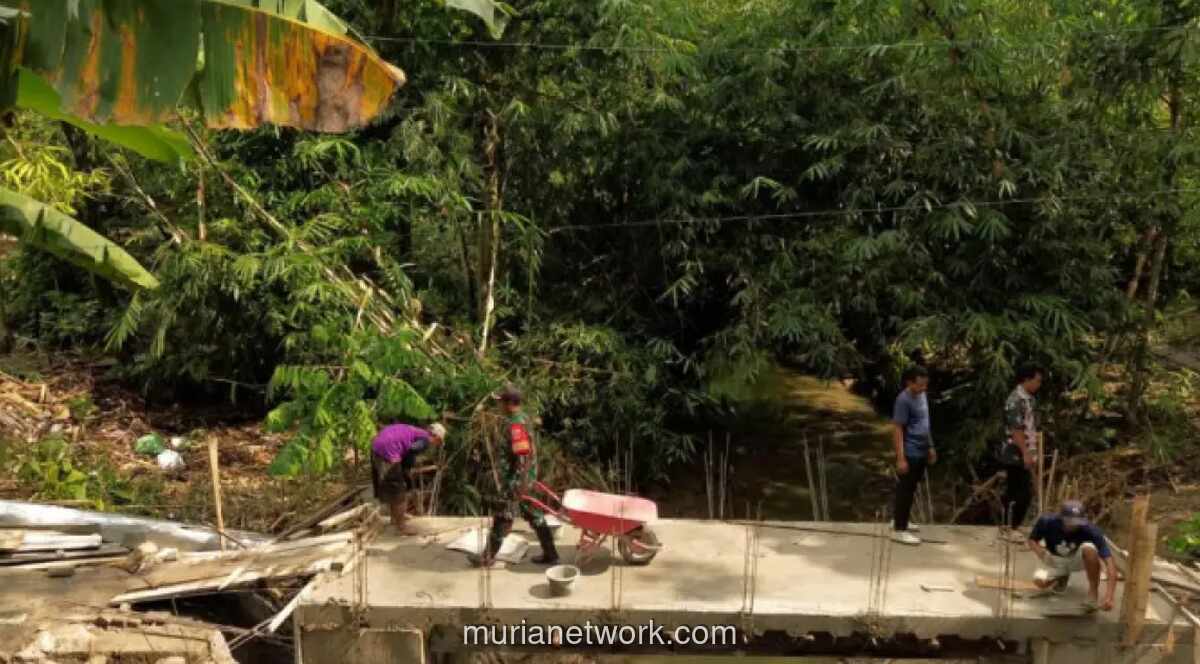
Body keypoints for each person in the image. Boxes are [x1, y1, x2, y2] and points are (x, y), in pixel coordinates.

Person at [477, 383, 559, 567]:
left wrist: (517, 485)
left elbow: (522, 458)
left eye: (500, 402)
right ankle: (551, 553)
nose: (498, 406)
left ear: (509, 403)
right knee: (535, 516)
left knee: (503, 515)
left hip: (517, 481)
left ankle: (487, 557)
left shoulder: (516, 425)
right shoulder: (522, 419)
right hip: (524, 481)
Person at [1028, 500, 1118, 613]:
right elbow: (1032, 540)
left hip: (1077, 559)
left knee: (1089, 548)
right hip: (1055, 559)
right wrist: (1042, 554)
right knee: (1040, 582)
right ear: (1061, 517)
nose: (1073, 525)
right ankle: (1061, 577)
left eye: (1077, 522)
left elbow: (1110, 563)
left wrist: (1109, 596)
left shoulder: (1091, 530)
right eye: (1070, 522)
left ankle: (1093, 593)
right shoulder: (1046, 522)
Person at [370, 421, 447, 534]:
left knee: (393, 487)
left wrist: (404, 467)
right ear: (435, 436)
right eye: (438, 441)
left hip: (377, 447)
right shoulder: (425, 440)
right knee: (400, 489)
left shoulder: (417, 432)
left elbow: (406, 446)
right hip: (389, 450)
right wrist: (407, 469)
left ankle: (394, 518)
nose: (436, 444)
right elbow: (411, 450)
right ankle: (402, 526)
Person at [892, 365, 935, 545]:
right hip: (910, 451)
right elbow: (897, 428)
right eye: (919, 385)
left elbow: (925, 423)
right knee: (905, 490)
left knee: (911, 489)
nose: (923, 388)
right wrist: (901, 458)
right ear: (909, 382)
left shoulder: (922, 395)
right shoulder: (903, 400)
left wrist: (931, 446)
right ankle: (898, 530)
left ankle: (901, 520)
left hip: (923, 449)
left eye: (925, 385)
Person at [1001, 364, 1043, 534]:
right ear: (1026, 379)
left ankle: (1012, 526)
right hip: (1014, 451)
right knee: (1019, 492)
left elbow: (1030, 426)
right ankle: (1009, 526)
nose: (1039, 384)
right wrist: (1025, 452)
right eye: (1037, 380)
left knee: (1020, 490)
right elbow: (1016, 430)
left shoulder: (1029, 399)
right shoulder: (1015, 400)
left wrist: (1033, 449)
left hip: (1027, 449)